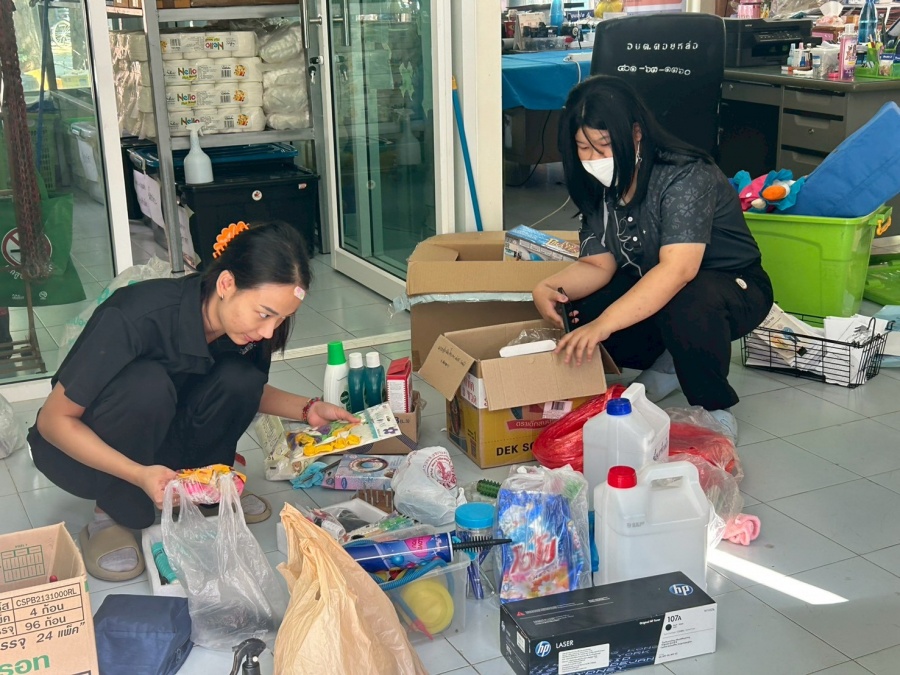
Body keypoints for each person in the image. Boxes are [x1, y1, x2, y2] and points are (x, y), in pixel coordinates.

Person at [29, 220, 356, 582]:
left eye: (282, 319)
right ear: (226, 284)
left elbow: (243, 389)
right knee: (148, 386)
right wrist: (138, 474)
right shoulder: (136, 315)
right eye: (265, 314)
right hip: (82, 444)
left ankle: (201, 488)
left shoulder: (250, 330)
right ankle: (110, 513)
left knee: (240, 377)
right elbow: (54, 420)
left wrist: (309, 409)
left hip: (163, 429)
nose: (269, 331)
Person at [532, 76, 773, 439]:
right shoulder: (599, 184)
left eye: (604, 145)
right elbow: (598, 264)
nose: (594, 159)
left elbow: (679, 270)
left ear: (636, 133)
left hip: (730, 288)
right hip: (655, 281)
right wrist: (549, 287)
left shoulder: (685, 175)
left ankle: (713, 406)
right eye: (583, 147)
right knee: (579, 310)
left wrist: (606, 323)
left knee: (688, 302)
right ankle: (671, 360)